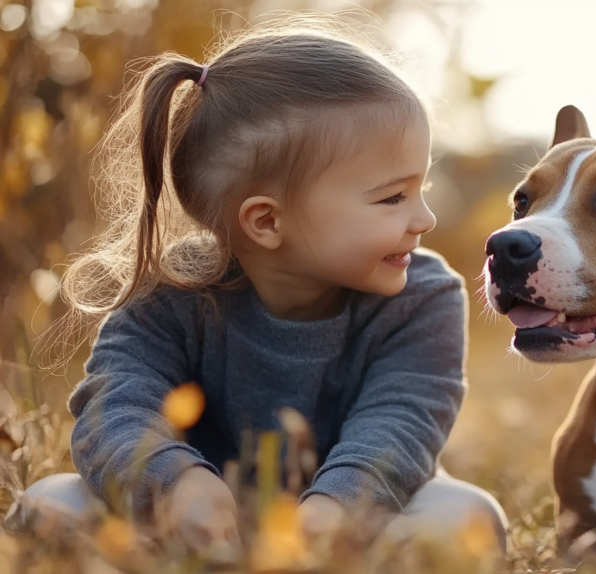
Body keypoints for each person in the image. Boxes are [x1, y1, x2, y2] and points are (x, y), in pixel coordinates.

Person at [9, 13, 507, 564]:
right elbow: (116, 408)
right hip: (199, 520)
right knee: (48, 504)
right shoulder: (171, 294)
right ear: (267, 222)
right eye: (393, 198)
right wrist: (177, 486)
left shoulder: (425, 295)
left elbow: (401, 421)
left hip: (352, 520)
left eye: (423, 186)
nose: (426, 219)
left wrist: (335, 510)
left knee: (468, 514)